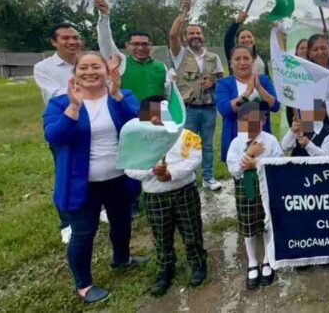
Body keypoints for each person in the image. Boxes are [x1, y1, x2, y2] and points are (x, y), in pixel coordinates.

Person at [43, 52, 148, 305]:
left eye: (96, 66)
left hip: (119, 177)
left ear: (107, 71)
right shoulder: (59, 103)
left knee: (122, 223)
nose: (90, 72)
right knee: (83, 232)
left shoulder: (122, 97)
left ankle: (121, 259)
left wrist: (118, 97)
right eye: (84, 67)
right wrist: (74, 107)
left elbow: (139, 125)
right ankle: (84, 284)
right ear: (75, 72)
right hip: (82, 183)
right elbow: (54, 137)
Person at [124, 98, 207, 296]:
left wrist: (172, 174)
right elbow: (129, 168)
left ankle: (197, 263)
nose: (156, 120)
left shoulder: (185, 135)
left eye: (160, 114)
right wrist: (152, 171)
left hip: (184, 191)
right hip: (156, 197)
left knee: (192, 231)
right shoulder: (137, 141)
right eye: (150, 116)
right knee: (161, 236)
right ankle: (165, 268)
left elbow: (195, 158)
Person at [96, 0, 169, 217]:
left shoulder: (160, 67)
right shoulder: (123, 64)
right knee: (132, 156)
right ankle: (131, 201)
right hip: (128, 115)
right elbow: (106, 45)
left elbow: (167, 93)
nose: (140, 47)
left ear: (152, 46)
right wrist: (104, 17)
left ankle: (153, 193)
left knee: (153, 154)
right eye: (135, 44)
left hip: (154, 116)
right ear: (127, 47)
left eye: (145, 44)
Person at [226, 102, 284, 290]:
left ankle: (268, 258)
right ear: (240, 122)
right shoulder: (236, 143)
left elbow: (279, 163)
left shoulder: (270, 140)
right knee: (249, 225)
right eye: (246, 121)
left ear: (263, 121)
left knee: (267, 222)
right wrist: (247, 154)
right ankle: (252, 261)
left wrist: (257, 162)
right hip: (246, 189)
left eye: (256, 121)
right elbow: (233, 170)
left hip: (267, 187)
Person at [169, 0, 225, 191]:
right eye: (191, 33)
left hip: (209, 109)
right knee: (188, 144)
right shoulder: (180, 55)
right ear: (186, 38)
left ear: (203, 36)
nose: (195, 36)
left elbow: (222, 80)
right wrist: (183, 14)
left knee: (208, 146)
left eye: (198, 33)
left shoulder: (213, 57)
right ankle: (189, 177)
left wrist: (214, 81)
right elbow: (173, 36)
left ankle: (208, 177)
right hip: (189, 109)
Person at [34, 21, 82, 243]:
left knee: (89, 168)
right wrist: (88, 89)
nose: (72, 42)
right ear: (54, 42)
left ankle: (95, 209)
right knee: (64, 171)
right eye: (65, 38)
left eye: (75, 38)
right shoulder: (44, 68)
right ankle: (66, 222)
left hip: (88, 124)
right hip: (62, 124)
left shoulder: (85, 63)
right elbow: (55, 94)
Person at [216, 45, 279, 171]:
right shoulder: (224, 84)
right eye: (237, 59)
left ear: (253, 61)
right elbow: (225, 110)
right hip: (235, 138)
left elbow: (275, 106)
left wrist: (259, 88)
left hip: (261, 140)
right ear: (231, 63)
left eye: (246, 58)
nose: (242, 62)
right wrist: (247, 93)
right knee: (239, 176)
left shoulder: (264, 80)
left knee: (265, 177)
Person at [223, 9, 268, 76]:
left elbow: (267, 76)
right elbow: (228, 39)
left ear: (254, 39)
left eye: (249, 36)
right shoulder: (234, 55)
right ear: (237, 42)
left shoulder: (261, 57)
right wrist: (237, 22)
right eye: (243, 37)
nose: (247, 40)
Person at [285, 39, 311, 127]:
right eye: (302, 48)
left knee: (313, 134)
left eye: (307, 48)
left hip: (313, 107)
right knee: (297, 134)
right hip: (294, 109)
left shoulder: (317, 68)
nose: (305, 50)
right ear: (297, 51)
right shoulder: (290, 69)